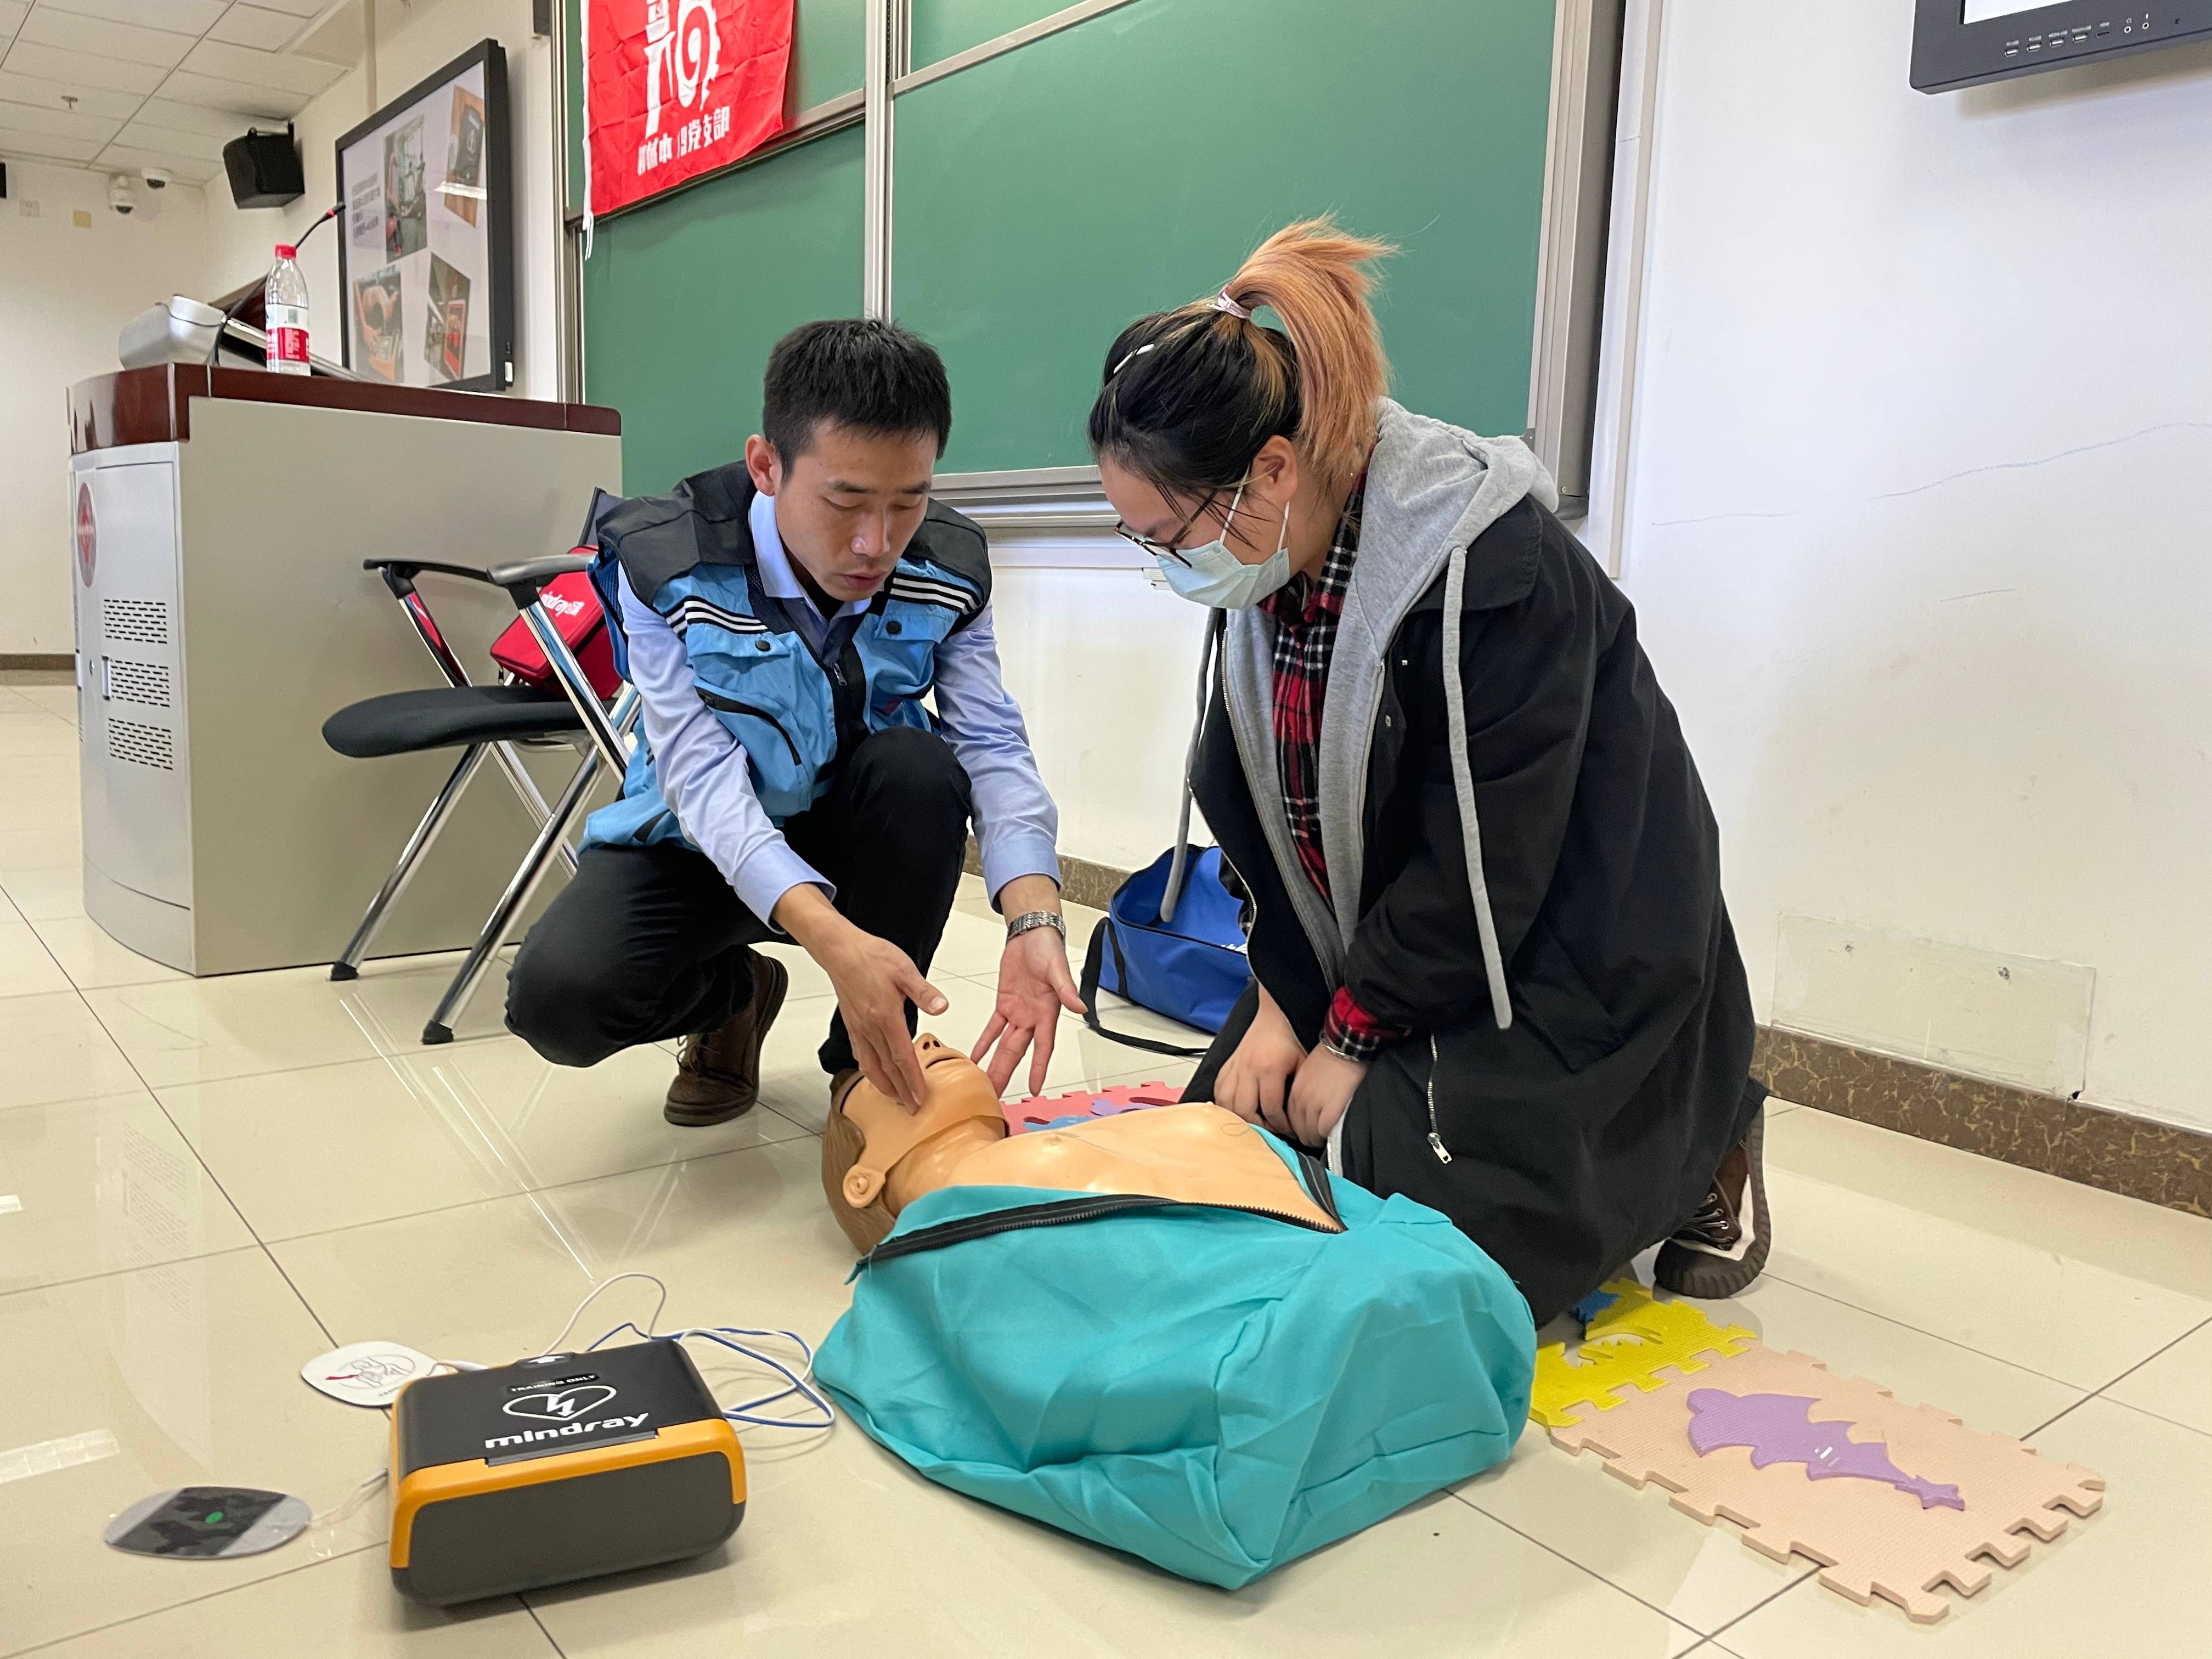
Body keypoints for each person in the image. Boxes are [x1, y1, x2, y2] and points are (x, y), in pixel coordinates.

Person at [1086, 220, 1769, 1324]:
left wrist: (1352, 1034)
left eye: (1171, 536)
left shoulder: (1492, 570)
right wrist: (1285, 1004)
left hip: (1559, 947)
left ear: (1272, 470)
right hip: (1403, 940)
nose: (1170, 567)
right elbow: (1278, 829)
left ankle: (1710, 1127)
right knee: (1221, 1147)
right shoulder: (1271, 560)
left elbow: (1489, 861)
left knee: (1393, 1218)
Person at [506, 319, 1081, 1122]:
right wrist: (829, 938)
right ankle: (735, 997)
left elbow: (989, 741)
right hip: (699, 839)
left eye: (909, 502)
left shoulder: (949, 566)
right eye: (845, 501)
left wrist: (1034, 917)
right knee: (559, 1003)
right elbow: (698, 774)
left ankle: (865, 1073)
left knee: (921, 771)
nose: (877, 543)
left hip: (853, 827)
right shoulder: (664, 562)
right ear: (766, 466)